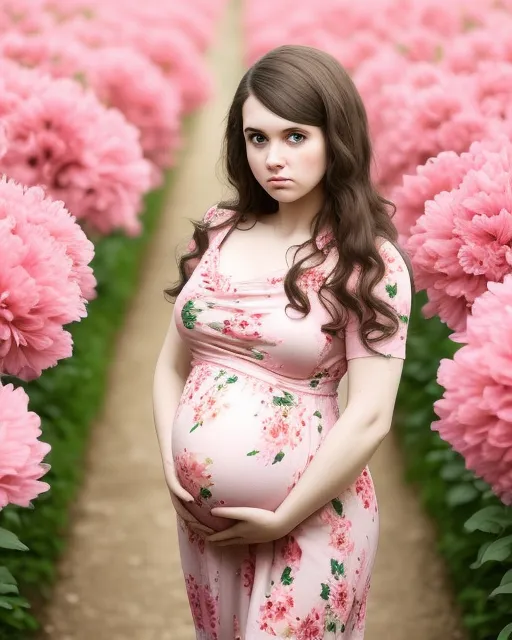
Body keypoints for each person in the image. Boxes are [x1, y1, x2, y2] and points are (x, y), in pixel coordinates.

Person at [153, 44, 413, 639]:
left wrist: (283, 518)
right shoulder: (220, 230)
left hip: (312, 521)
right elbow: (170, 366)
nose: (274, 157)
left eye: (296, 136)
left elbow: (370, 416)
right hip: (206, 526)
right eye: (257, 138)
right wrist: (171, 461)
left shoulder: (368, 262)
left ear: (336, 138)